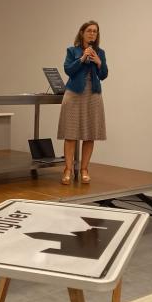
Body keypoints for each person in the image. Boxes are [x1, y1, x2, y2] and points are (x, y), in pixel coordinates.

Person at [57, 21, 109, 185]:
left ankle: (84, 169)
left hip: (93, 94)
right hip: (74, 94)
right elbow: (68, 70)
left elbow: (104, 74)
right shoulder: (72, 51)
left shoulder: (100, 52)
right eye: (89, 31)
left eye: (95, 31)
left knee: (90, 134)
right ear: (82, 33)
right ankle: (68, 169)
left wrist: (99, 62)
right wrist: (83, 57)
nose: (92, 34)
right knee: (71, 134)